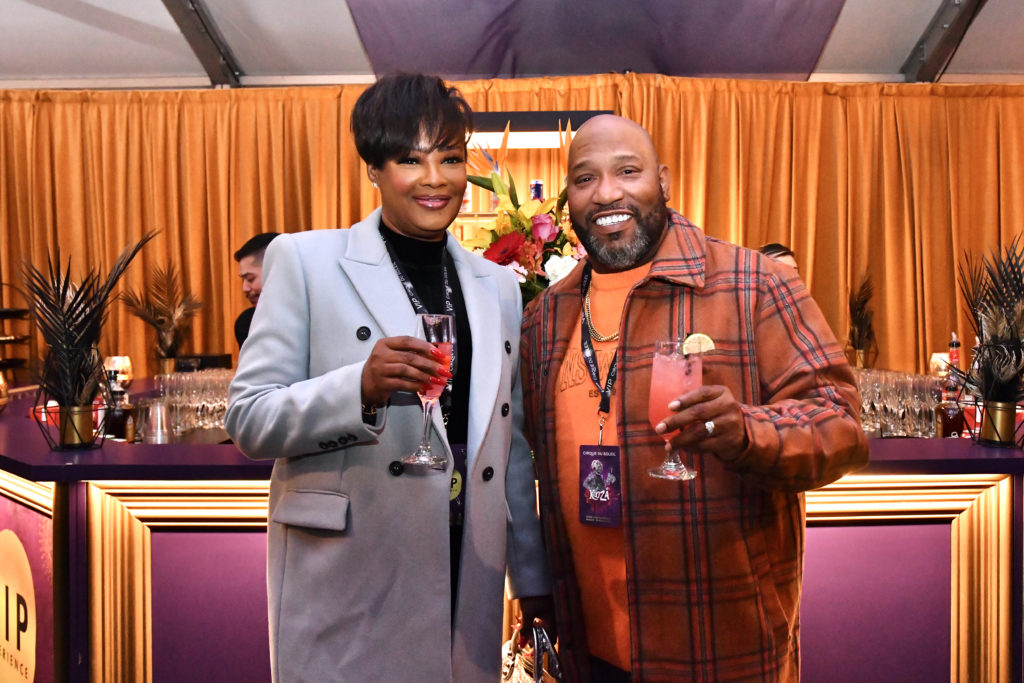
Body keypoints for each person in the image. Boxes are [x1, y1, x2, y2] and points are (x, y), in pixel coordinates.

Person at [519, 115, 869, 682]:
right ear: (568, 200)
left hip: (719, 649)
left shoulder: (753, 286)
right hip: (590, 654)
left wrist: (746, 431)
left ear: (663, 180)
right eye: (585, 179)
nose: (607, 192)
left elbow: (841, 428)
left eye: (627, 171)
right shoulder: (544, 318)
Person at [225, 74, 550, 682]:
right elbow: (249, 419)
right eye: (410, 158)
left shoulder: (499, 285)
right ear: (373, 168)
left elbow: (512, 446)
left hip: (465, 574)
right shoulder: (304, 261)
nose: (435, 179)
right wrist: (359, 389)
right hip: (352, 574)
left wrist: (532, 580)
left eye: (450, 158)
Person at [233, 232, 280, 346]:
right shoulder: (247, 323)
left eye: (250, 278)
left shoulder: (314, 316)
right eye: (243, 280)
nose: (244, 288)